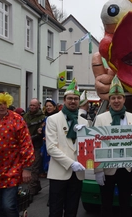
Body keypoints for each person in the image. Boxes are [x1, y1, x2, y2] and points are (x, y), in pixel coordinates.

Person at [0, 90, 35, 217]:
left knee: (8, 206)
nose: (3, 106)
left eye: (5, 103)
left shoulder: (16, 119)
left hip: (12, 170)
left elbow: (26, 144)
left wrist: (27, 168)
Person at [94, 75, 132, 217]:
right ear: (109, 100)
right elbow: (96, 145)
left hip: (126, 168)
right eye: (113, 98)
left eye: (119, 97)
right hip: (107, 169)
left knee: (125, 203)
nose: (116, 101)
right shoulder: (101, 118)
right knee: (106, 204)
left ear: (124, 99)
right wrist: (98, 170)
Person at [45, 78, 88, 217]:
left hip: (78, 174)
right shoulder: (53, 119)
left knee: (72, 210)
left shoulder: (84, 122)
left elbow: (88, 147)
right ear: (64, 100)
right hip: (59, 172)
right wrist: (71, 163)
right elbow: (51, 148)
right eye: (70, 98)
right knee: (55, 210)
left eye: (76, 98)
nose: (73, 101)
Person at [23, 98, 45, 201]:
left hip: (37, 145)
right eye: (30, 105)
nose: (31, 107)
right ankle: (37, 185)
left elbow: (41, 133)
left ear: (38, 106)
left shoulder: (42, 118)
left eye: (34, 105)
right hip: (26, 145)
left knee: (34, 168)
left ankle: (31, 192)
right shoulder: (25, 116)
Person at [39, 99, 59, 178]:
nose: (48, 107)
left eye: (50, 106)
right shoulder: (45, 117)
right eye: (47, 106)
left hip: (54, 142)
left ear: (54, 107)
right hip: (45, 143)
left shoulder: (57, 117)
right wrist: (40, 129)